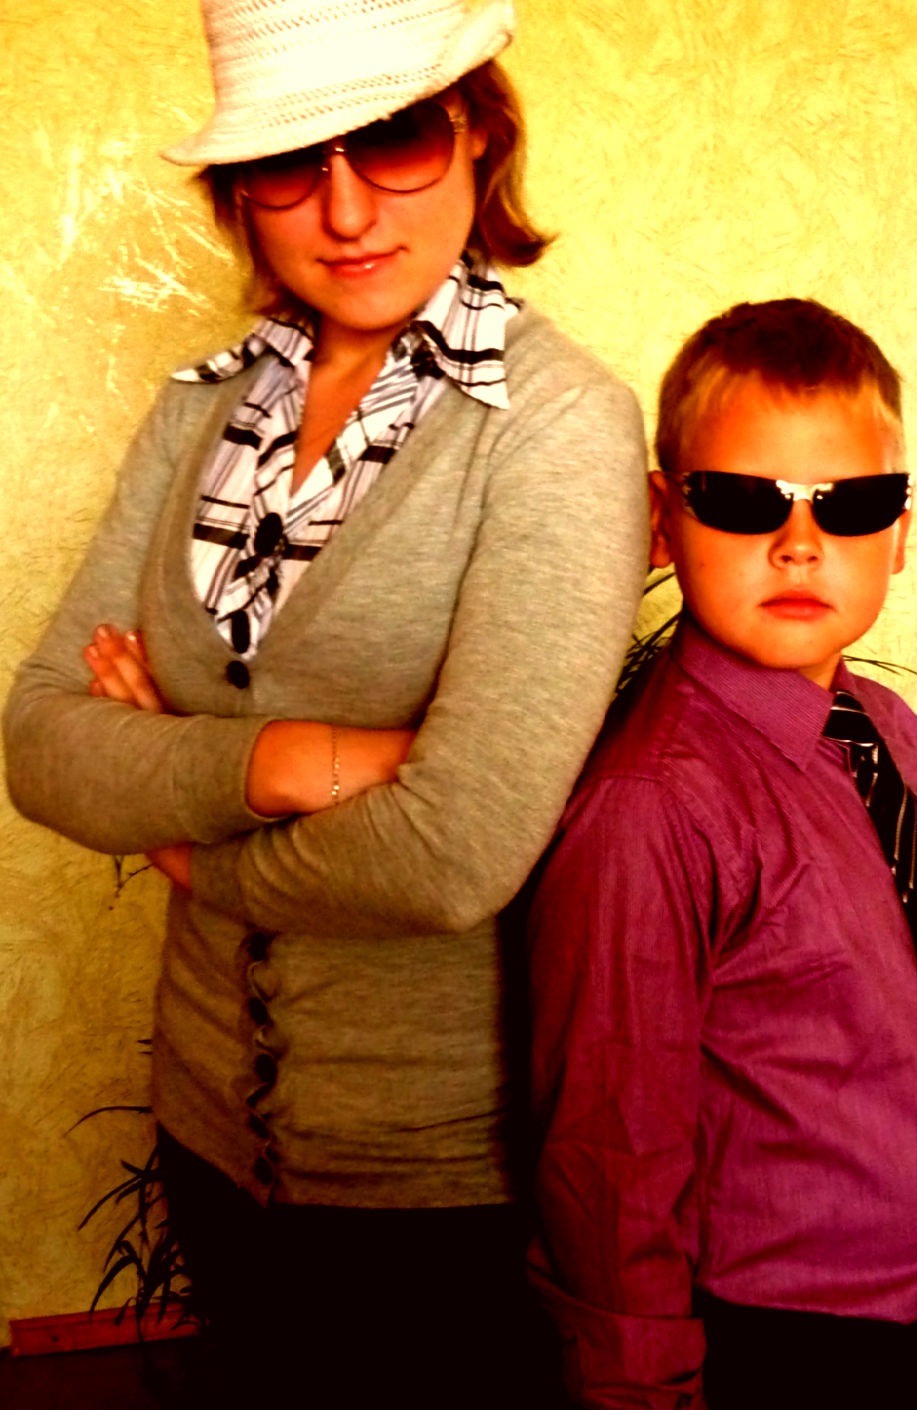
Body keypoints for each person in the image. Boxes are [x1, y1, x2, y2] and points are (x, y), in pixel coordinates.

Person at [2, 2, 649, 1405]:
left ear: (477, 135)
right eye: (291, 158)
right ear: (242, 189)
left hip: (438, 1182)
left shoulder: (556, 427)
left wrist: (183, 835)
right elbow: (40, 736)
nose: (344, 210)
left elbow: (456, 850)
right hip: (204, 1125)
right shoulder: (202, 410)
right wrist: (297, 759)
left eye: (393, 137)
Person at [527, 298, 917, 1410]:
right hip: (789, 1340)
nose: (799, 544)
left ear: (899, 532)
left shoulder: (891, 733)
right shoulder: (649, 809)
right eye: (744, 501)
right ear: (661, 519)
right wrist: (638, 1384)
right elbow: (611, 1149)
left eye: (850, 504)